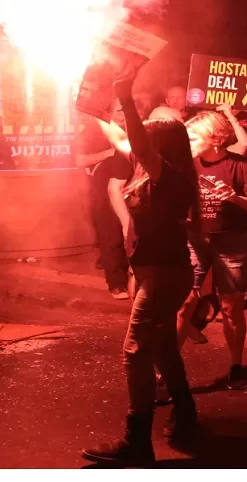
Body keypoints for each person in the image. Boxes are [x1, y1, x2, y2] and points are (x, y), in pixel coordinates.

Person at [83, 77, 201, 466]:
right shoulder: (157, 170)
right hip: (159, 269)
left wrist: (125, 98)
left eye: (148, 137)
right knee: (163, 346)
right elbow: (123, 137)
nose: (138, 143)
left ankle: (138, 442)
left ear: (160, 146)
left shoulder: (168, 176)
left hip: (162, 273)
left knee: (135, 352)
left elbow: (133, 135)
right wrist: (90, 108)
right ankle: (185, 416)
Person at [177, 108, 247, 390]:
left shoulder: (242, 166)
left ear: (215, 139)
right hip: (194, 239)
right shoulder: (186, 165)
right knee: (183, 303)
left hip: (233, 241)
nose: (189, 141)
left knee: (231, 307)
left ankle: (236, 365)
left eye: (194, 136)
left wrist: (235, 199)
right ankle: (167, 371)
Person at [76, 101, 132, 300]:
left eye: (126, 110)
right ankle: (117, 284)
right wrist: (109, 153)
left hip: (128, 191)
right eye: (118, 110)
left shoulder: (134, 130)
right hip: (102, 192)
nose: (123, 115)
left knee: (130, 235)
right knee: (111, 237)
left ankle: (132, 277)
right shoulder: (94, 132)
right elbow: (78, 159)